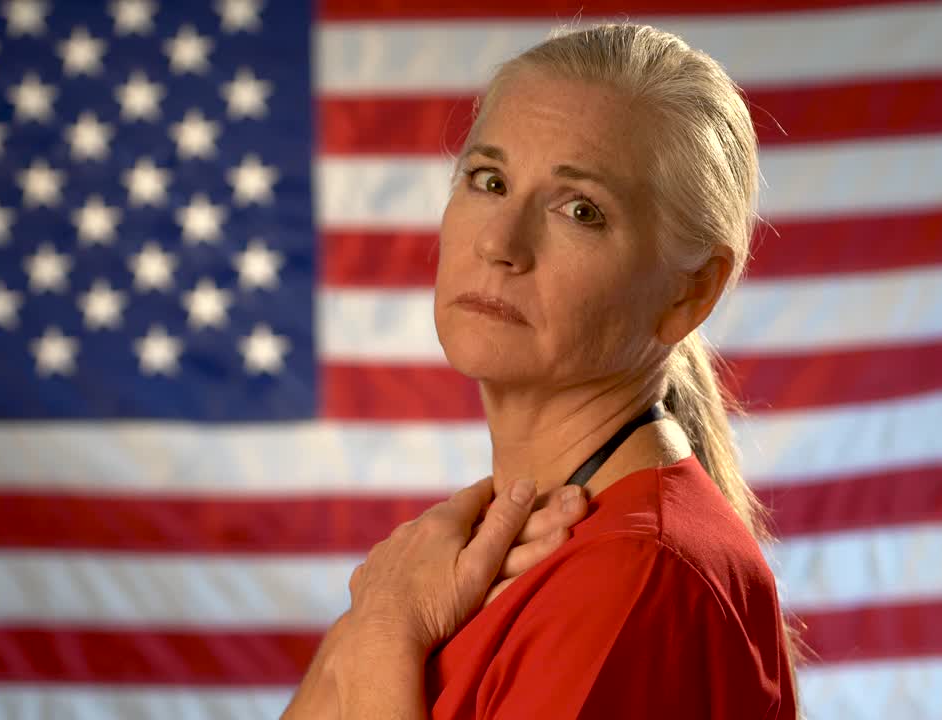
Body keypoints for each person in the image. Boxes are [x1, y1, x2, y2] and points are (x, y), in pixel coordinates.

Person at [283, 22, 806, 720]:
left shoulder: (638, 576)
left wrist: (378, 640)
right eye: (488, 180)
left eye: (580, 210)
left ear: (691, 292)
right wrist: (371, 629)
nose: (500, 242)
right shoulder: (475, 559)